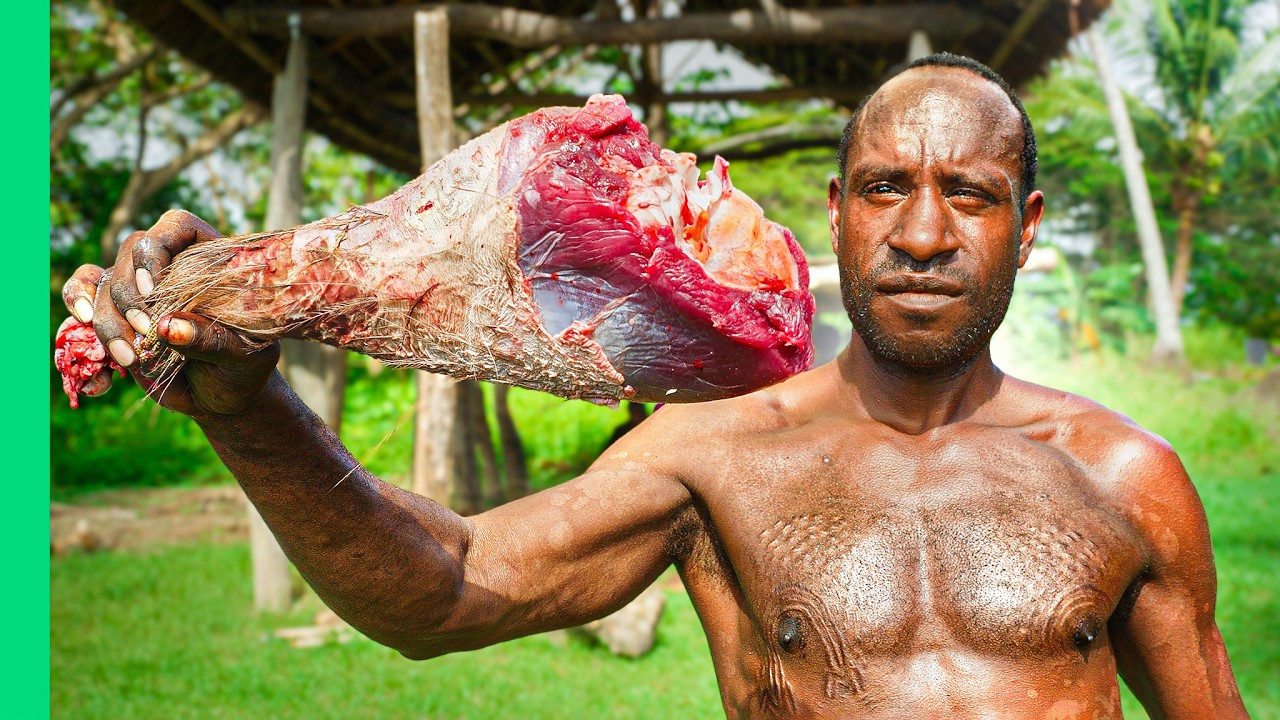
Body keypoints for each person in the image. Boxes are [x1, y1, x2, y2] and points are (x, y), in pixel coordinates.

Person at [64, 53, 1247, 718]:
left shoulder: (1118, 477)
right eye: (883, 187)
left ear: (1024, 226)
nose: (921, 234)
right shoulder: (717, 453)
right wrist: (247, 405)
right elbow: (443, 590)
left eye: (969, 196)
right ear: (833, 214)